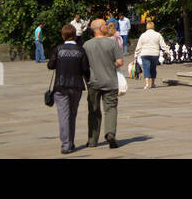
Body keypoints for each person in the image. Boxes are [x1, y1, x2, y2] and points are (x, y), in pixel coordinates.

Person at [47, 23, 90, 154]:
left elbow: (50, 65)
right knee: (72, 115)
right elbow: (85, 69)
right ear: (74, 36)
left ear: (63, 35)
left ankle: (66, 144)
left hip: (61, 86)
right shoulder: (80, 50)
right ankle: (70, 142)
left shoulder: (58, 49)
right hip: (76, 86)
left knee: (63, 115)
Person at [83, 18, 125, 148]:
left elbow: (83, 66)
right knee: (111, 108)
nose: (107, 26)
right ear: (101, 28)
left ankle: (92, 140)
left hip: (93, 82)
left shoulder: (86, 45)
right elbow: (119, 62)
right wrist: (110, 64)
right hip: (110, 81)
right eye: (105, 25)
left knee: (93, 111)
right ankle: (110, 133)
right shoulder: (112, 43)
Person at [133, 20, 169, 90]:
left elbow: (139, 46)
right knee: (153, 68)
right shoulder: (158, 34)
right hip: (155, 54)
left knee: (146, 68)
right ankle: (153, 83)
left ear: (146, 27)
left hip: (145, 54)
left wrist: (136, 54)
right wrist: (167, 51)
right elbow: (163, 45)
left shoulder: (143, 35)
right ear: (153, 27)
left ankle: (147, 84)